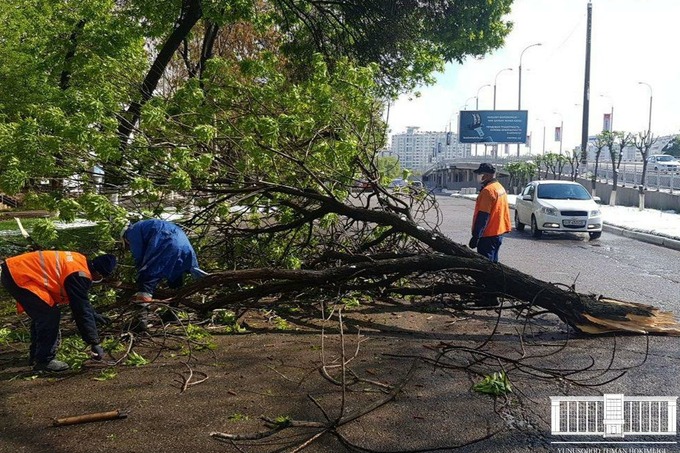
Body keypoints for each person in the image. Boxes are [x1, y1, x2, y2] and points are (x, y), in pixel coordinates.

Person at [0, 251, 117, 372]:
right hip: (20, 276)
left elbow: (81, 302)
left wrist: (93, 314)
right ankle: (44, 360)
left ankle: (36, 356)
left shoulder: (79, 261)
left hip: (15, 271)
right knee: (49, 316)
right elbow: (80, 310)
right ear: (98, 273)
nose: (99, 280)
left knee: (44, 314)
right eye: (101, 277)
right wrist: (94, 342)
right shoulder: (80, 275)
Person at [121, 219, 207, 303]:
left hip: (166, 242)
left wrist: (140, 271)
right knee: (175, 273)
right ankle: (173, 308)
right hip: (183, 245)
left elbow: (139, 254)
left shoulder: (131, 232)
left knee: (148, 273)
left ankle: (143, 306)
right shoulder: (145, 224)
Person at [468, 163, 511, 262]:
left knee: (486, 266)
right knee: (494, 263)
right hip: (498, 232)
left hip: (488, 235)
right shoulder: (499, 187)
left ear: (486, 175)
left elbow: (483, 216)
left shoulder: (488, 191)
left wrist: (476, 236)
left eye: (480, 174)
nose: (478, 177)